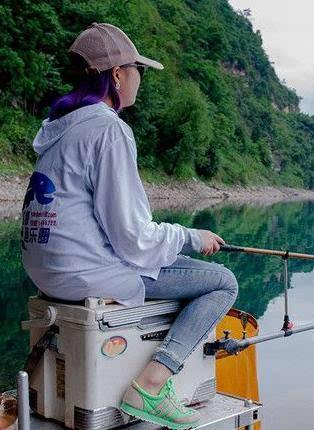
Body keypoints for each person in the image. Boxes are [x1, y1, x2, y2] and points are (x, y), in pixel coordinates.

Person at [21, 22, 239, 429]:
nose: (141, 78)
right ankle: (151, 385)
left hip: (49, 275)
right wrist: (192, 237)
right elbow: (134, 239)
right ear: (118, 74)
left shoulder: (60, 131)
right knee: (222, 282)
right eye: (138, 69)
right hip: (85, 274)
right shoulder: (108, 130)